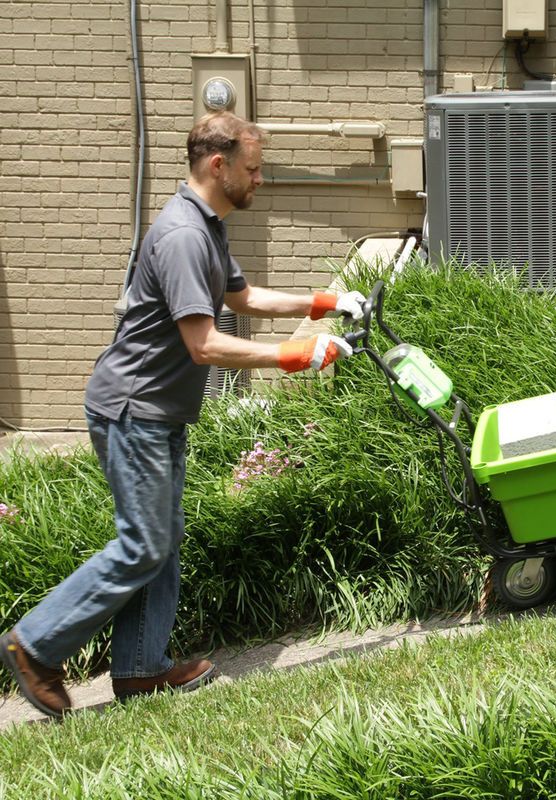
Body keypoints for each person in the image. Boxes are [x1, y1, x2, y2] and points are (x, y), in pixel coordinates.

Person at [0, 111, 365, 718]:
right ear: (218, 165)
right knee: (145, 542)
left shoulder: (207, 225)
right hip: (132, 408)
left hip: (159, 410)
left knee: (161, 541)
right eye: (254, 169)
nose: (261, 180)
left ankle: (141, 670)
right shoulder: (182, 236)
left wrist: (323, 301)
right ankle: (34, 644)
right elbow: (205, 344)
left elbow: (242, 299)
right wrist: (295, 356)